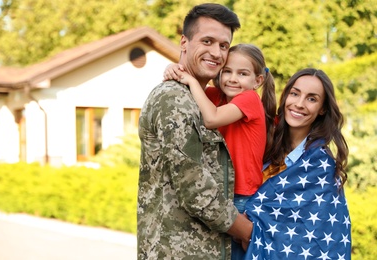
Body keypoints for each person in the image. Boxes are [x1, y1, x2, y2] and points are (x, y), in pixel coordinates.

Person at [137, 3, 253, 259]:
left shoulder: (202, 99)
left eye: (224, 46)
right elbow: (195, 188)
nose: (216, 53)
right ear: (184, 43)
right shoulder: (174, 100)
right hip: (178, 251)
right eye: (208, 41)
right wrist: (247, 231)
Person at [163, 43, 276, 259]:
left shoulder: (250, 99)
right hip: (220, 193)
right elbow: (185, 83)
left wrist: (192, 81)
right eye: (227, 71)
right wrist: (172, 68)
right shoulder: (216, 96)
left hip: (242, 195)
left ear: (258, 80)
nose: (233, 79)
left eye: (242, 74)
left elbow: (212, 118)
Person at [243, 68, 351, 259]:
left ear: (322, 109)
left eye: (311, 99)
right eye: (295, 94)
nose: (299, 104)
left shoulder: (319, 166)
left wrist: (222, 215)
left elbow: (299, 240)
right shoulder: (265, 138)